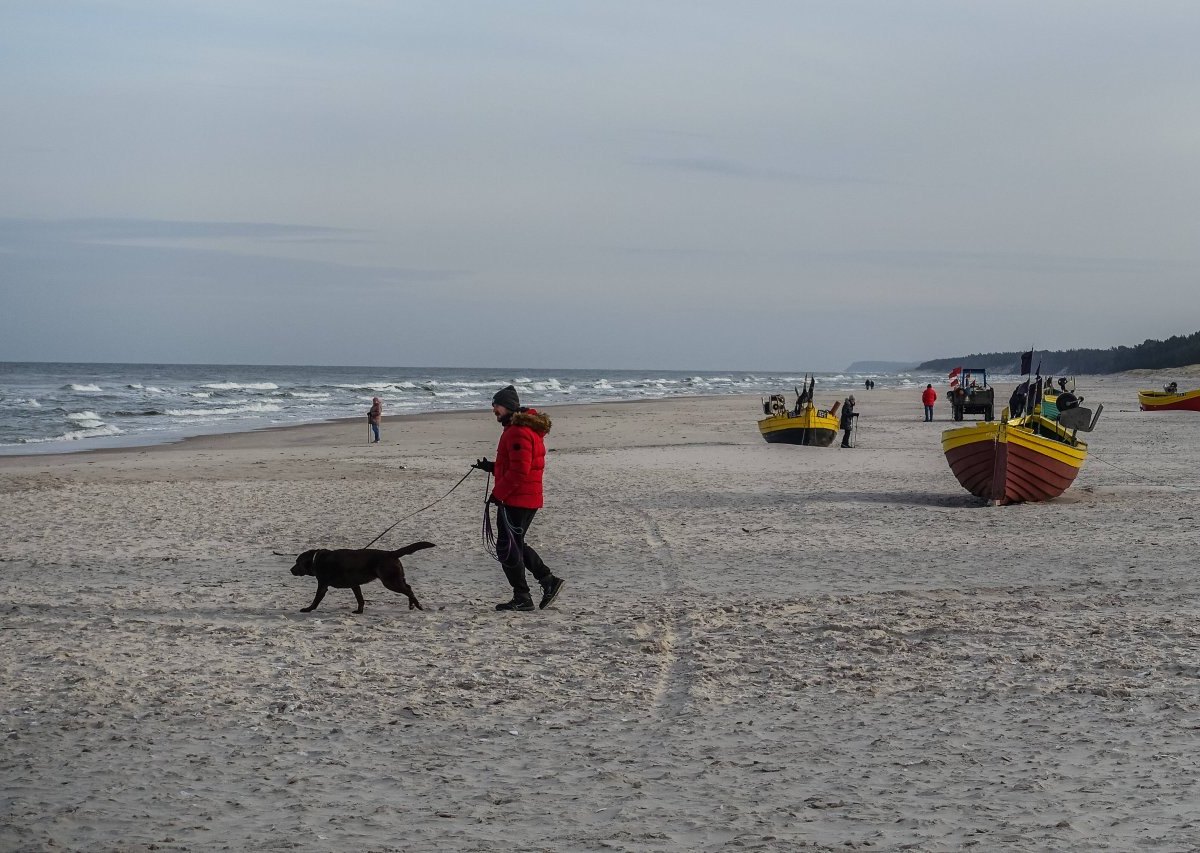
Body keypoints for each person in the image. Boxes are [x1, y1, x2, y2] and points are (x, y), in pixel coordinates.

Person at [473, 385, 565, 612]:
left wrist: (498, 494)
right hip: (523, 497)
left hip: (518, 499)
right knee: (515, 544)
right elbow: (517, 465)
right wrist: (493, 467)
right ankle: (546, 581)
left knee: (507, 548)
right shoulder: (519, 429)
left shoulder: (517, 431)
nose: (494, 409)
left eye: (497, 404)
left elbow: (520, 471)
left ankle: (524, 595)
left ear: (509, 407)